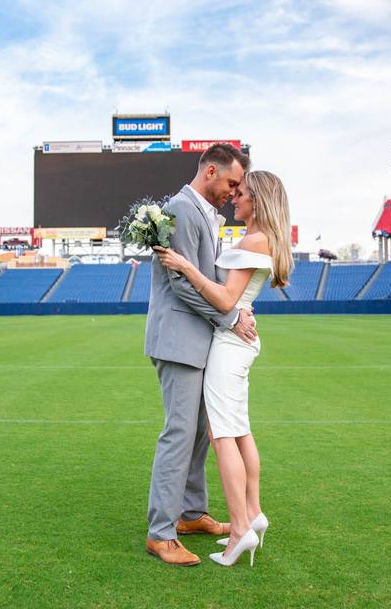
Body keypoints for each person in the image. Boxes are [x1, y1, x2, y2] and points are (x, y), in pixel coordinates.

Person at [155, 170, 292, 567]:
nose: (237, 197)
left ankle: (239, 530)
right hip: (238, 343)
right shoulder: (264, 239)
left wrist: (186, 265)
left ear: (259, 201)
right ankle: (252, 513)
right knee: (240, 429)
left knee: (222, 434)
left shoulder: (254, 239)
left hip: (230, 346)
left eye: (244, 193)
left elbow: (226, 297)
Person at [143, 143, 259, 567]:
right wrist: (230, 320)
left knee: (198, 432)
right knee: (179, 433)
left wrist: (232, 311)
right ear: (210, 171)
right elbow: (182, 285)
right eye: (231, 182)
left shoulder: (200, 212)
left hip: (195, 339)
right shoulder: (182, 209)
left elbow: (206, 279)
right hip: (178, 339)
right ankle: (161, 533)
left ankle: (191, 514)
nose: (234, 191)